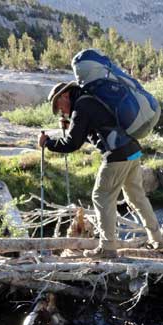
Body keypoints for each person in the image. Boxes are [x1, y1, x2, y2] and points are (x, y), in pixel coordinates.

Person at [38, 81, 163, 258]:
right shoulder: (90, 100)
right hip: (132, 151)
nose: (61, 111)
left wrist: (48, 143)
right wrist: (71, 126)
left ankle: (107, 248)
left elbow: (72, 144)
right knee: (137, 197)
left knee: (101, 196)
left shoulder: (81, 106)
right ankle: (158, 240)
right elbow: (98, 133)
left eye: (59, 106)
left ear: (64, 96)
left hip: (117, 155)